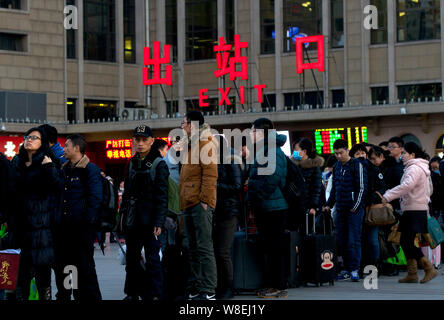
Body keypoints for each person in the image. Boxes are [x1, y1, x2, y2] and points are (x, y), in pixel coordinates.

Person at [11, 127, 63, 300]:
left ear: (42, 142)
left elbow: (57, 187)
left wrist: (49, 167)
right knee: (20, 274)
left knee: (42, 271)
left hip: (41, 226)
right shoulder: (17, 162)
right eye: (27, 137)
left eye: (34, 137)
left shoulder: (48, 162)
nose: (29, 140)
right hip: (20, 226)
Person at [120, 126, 169, 301]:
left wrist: (159, 222)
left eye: (144, 140)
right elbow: (126, 194)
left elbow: (163, 196)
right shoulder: (132, 162)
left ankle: (155, 294)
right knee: (132, 260)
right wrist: (122, 218)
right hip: (133, 220)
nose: (140, 143)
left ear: (151, 141)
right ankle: (132, 293)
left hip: (151, 220)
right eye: (137, 140)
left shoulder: (158, 163)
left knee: (153, 260)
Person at [54, 134, 103, 301]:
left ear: (76, 148)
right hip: (64, 230)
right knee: (66, 268)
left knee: (85, 269)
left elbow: (95, 199)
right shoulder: (64, 169)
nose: (64, 148)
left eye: (66, 145)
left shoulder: (90, 170)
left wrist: (87, 225)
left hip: (82, 231)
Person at [382, 142, 439, 284]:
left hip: (414, 209)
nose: (402, 156)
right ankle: (412, 273)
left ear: (412, 154)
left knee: (406, 241)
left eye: (404, 153)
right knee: (405, 241)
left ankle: (428, 268)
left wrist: (388, 195)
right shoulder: (421, 167)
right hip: (415, 208)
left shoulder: (414, 168)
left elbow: (407, 185)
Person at [179, 111, 218, 301]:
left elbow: (210, 175)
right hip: (188, 202)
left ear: (192, 124)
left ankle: (208, 289)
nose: (182, 126)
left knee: (204, 247)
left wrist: (205, 201)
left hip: (199, 203)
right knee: (191, 247)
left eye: (184, 123)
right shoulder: (190, 143)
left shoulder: (205, 143)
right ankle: (195, 287)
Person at [248, 118, 288, 298]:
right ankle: (273, 284)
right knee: (271, 248)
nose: (250, 133)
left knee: (274, 249)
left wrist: (255, 192)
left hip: (272, 207)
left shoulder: (272, 151)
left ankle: (277, 285)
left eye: (253, 130)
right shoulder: (266, 149)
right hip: (268, 205)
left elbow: (272, 179)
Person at [324, 139, 367, 282]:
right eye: (336, 153)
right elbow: (335, 189)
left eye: (341, 153)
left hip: (354, 210)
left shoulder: (357, 164)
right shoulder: (336, 167)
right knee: (341, 240)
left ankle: (354, 269)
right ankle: (347, 269)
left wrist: (355, 206)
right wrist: (329, 204)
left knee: (353, 240)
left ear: (347, 150)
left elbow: (361, 188)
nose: (338, 156)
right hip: (341, 209)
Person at [213, 135, 242, 300]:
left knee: (222, 251)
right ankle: (219, 285)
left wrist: (215, 184)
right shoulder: (212, 160)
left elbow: (236, 186)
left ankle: (228, 287)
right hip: (215, 210)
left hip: (228, 211)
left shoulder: (231, 160)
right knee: (216, 251)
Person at [349, 144, 386, 275]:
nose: (361, 156)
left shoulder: (374, 169)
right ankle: (359, 266)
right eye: (357, 154)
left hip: (370, 209)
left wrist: (373, 197)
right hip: (354, 209)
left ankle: (375, 266)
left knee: (372, 239)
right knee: (358, 240)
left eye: (362, 153)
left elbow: (382, 188)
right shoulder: (349, 169)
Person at [290, 137, 324, 232]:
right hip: (295, 206)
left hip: (308, 207)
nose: (294, 152)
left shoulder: (314, 167)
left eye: (296, 150)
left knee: (307, 233)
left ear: (304, 151)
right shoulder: (293, 166)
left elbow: (316, 188)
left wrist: (313, 206)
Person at [429, 156, 443, 220]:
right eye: (432, 168)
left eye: (436, 168)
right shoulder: (432, 177)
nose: (434, 170)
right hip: (436, 206)